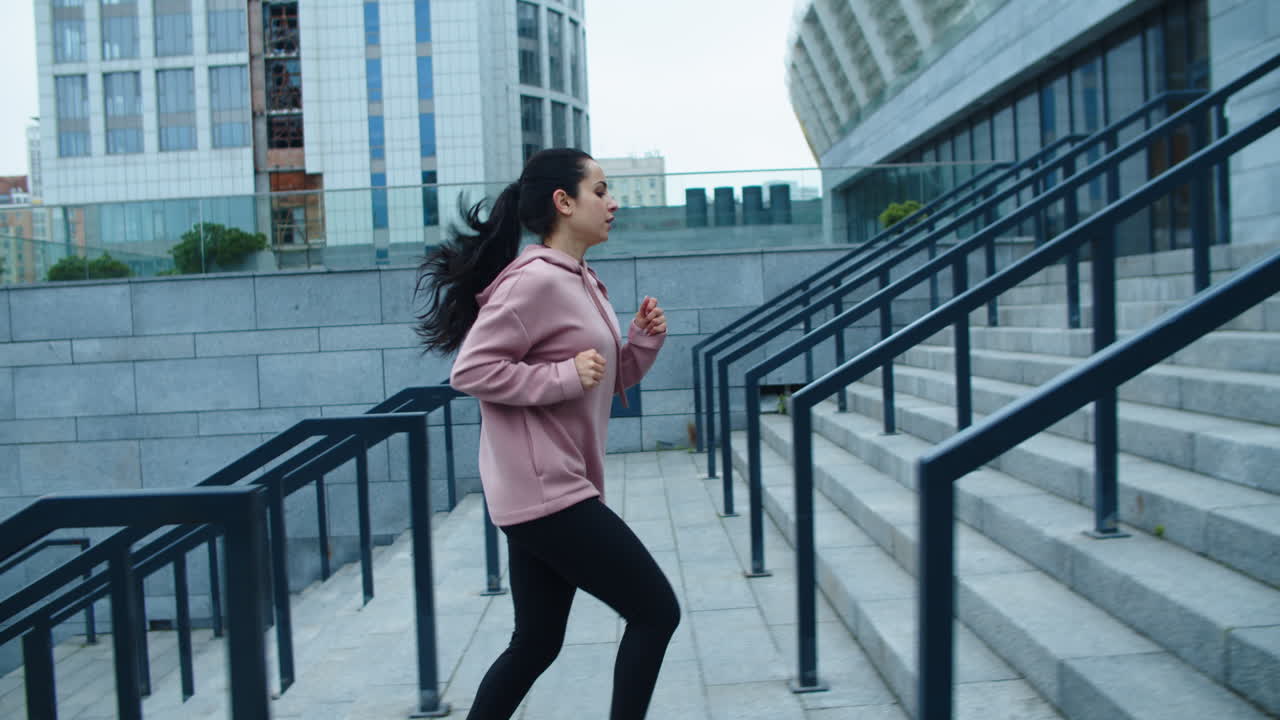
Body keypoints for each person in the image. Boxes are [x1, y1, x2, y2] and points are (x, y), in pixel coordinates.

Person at [413, 148, 681, 719]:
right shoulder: (533, 281)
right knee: (656, 611)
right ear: (564, 202)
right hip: (546, 492)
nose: (613, 203)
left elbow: (598, 382)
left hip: (548, 488)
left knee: (536, 644)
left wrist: (639, 343)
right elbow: (472, 371)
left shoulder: (584, 280)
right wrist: (561, 376)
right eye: (601, 191)